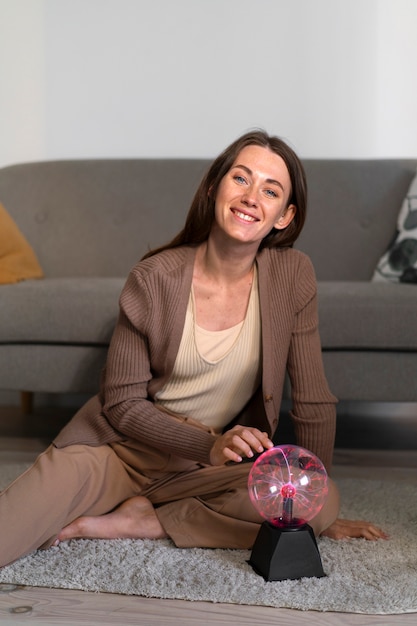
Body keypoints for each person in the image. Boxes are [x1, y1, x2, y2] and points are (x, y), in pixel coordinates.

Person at [0, 130, 387, 568]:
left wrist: (314, 504)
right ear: (213, 187)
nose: (251, 197)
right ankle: (142, 510)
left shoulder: (292, 275)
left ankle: (144, 521)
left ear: (284, 215)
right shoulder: (153, 278)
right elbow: (122, 404)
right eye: (241, 179)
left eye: (270, 190)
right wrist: (209, 444)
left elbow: (314, 400)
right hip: (117, 453)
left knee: (317, 497)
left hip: (206, 472)